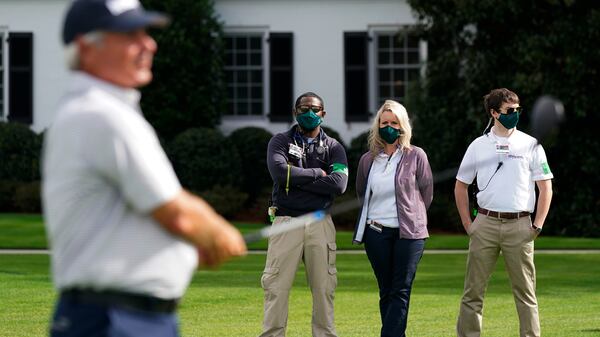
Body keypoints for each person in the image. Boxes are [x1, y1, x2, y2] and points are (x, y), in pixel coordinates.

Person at [42, 1, 247, 336]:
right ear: (85, 47)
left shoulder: (91, 111)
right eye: (129, 34)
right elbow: (177, 213)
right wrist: (219, 234)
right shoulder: (104, 115)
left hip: (116, 314)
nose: (149, 44)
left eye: (145, 33)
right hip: (116, 318)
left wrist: (182, 248)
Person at [455, 88, 553, 337]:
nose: (515, 114)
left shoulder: (531, 144)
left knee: (526, 293)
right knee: (473, 293)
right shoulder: (478, 145)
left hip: (520, 225)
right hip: (485, 223)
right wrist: (469, 224)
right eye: (510, 110)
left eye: (518, 109)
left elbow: (545, 187)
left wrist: (537, 225)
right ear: (494, 113)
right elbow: (461, 185)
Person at [260, 92, 348, 337]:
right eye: (303, 108)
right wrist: (319, 174)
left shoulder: (334, 147)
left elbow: (339, 184)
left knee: (324, 289)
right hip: (285, 221)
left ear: (323, 114)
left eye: (315, 109)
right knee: (276, 287)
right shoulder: (279, 142)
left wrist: (297, 180)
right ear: (294, 112)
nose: (309, 113)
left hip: (320, 222)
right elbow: (279, 174)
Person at [352, 100, 433, 337]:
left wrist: (413, 215)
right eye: (384, 122)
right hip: (376, 233)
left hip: (409, 234)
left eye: (394, 122)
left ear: (402, 126)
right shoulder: (368, 160)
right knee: (386, 290)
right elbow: (361, 193)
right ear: (377, 126)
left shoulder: (416, 155)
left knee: (401, 290)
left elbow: (426, 192)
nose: (388, 126)